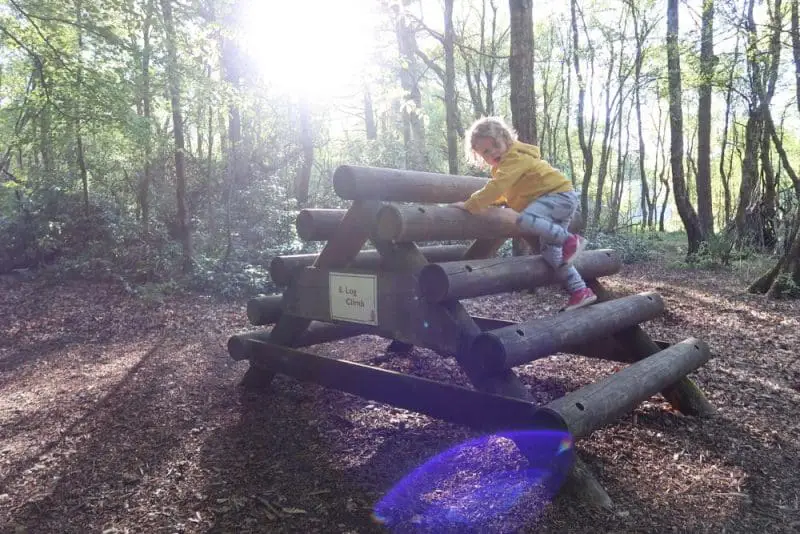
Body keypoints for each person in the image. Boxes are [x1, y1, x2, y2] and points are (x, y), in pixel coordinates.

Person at [451, 116, 597, 311]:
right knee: (551, 254)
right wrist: (493, 202)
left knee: (525, 220)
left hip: (557, 196)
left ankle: (569, 240)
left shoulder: (514, 157)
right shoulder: (505, 167)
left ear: (506, 138)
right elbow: (504, 193)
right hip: (555, 202)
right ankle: (580, 291)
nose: (492, 152)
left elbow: (497, 187)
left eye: (495, 145)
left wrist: (471, 205)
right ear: (480, 157)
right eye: (485, 151)